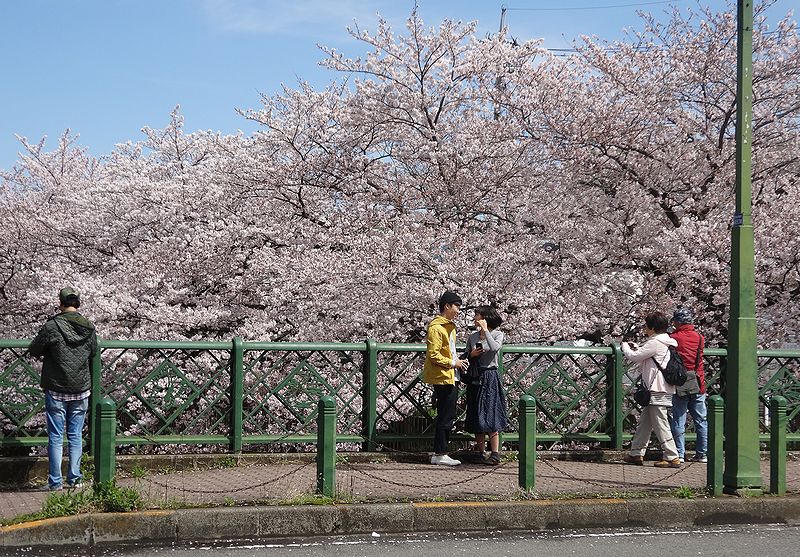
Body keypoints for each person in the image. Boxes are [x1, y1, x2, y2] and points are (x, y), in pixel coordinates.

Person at [29, 287, 98, 491]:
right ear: (78, 304)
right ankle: (75, 479)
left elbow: (35, 349)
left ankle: (55, 482)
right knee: (76, 435)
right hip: (81, 388)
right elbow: (93, 352)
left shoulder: (52, 326)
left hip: (56, 388)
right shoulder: (89, 327)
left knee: (56, 436)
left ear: (60, 304)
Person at [621, 311, 681, 468]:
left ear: (652, 327)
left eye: (646, 326)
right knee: (645, 423)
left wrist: (625, 347)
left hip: (657, 389)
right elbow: (645, 352)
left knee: (660, 423)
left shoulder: (655, 342)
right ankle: (636, 453)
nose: (645, 329)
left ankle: (672, 456)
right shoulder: (667, 341)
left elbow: (634, 356)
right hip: (662, 388)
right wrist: (638, 347)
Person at [423, 291, 469, 466]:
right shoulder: (436, 328)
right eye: (456, 306)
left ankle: (440, 452)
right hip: (444, 376)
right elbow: (433, 355)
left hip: (450, 375)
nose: (458, 310)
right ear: (447, 306)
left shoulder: (448, 327)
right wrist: (453, 363)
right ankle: (440, 453)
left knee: (447, 414)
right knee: (446, 415)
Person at [463, 305, 507, 465]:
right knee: (476, 412)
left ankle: (495, 453)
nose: (475, 318)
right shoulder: (472, 337)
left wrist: (486, 332)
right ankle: (480, 452)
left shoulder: (498, 334)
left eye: (478, 316)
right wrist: (471, 354)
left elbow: (495, 348)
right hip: (476, 376)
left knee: (491, 412)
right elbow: (466, 355)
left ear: (485, 318)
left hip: (490, 376)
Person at [668, 307, 707, 463]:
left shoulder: (673, 338)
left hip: (680, 382)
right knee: (701, 420)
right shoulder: (699, 337)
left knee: (678, 419)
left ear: (677, 322)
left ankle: (679, 453)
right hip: (698, 381)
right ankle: (702, 454)